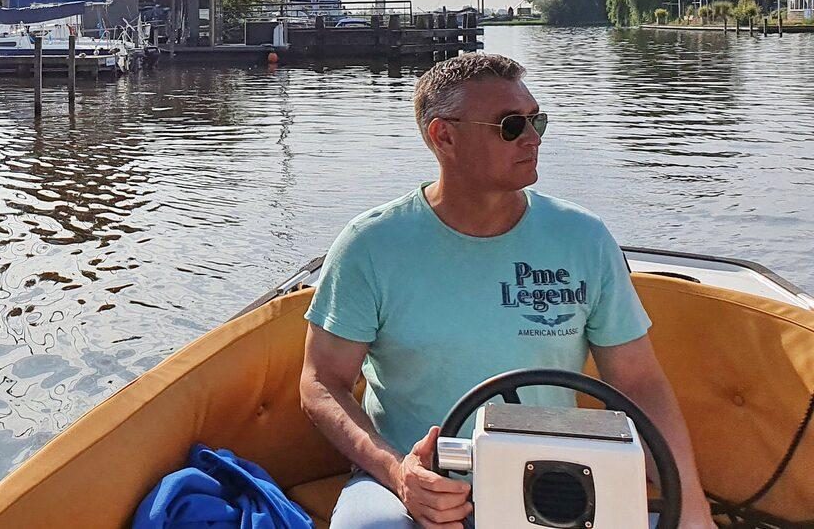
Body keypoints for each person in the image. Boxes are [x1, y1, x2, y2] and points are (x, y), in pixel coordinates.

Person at [298, 53, 711, 528]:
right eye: (511, 125)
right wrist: (399, 474)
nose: (533, 138)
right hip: (416, 480)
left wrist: (692, 510)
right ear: (444, 136)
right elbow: (322, 383)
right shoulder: (370, 245)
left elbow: (639, 384)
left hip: (560, 478)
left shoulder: (583, 238)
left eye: (538, 121)